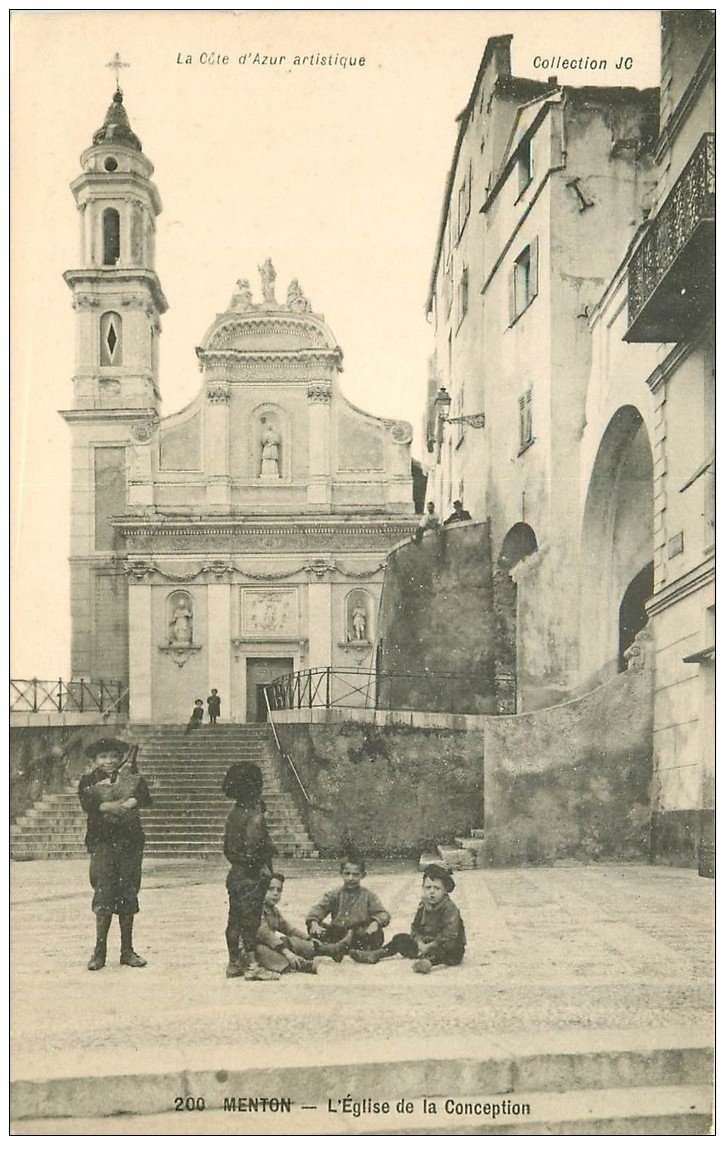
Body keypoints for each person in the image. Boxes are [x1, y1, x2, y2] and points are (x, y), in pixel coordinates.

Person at [77, 738, 152, 971]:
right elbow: (91, 804)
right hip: (103, 844)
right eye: (103, 757)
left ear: (120, 758)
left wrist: (130, 801)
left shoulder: (131, 775)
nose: (109, 761)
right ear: (94, 760)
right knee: (104, 894)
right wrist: (113, 806)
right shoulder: (88, 780)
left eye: (113, 756)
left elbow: (144, 797)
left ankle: (127, 950)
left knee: (128, 893)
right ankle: (99, 952)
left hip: (129, 843)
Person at [350, 863, 466, 973]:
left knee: (453, 949)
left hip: (442, 944)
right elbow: (415, 928)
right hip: (424, 944)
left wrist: (430, 946)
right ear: (423, 888)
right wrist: (420, 942)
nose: (431, 892)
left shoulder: (450, 908)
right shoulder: (423, 906)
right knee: (400, 939)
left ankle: (430, 962)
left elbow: (449, 934)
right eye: (428, 887)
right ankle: (376, 954)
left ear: (445, 890)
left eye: (437, 888)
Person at [222, 761, 279, 981]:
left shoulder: (234, 814)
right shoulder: (255, 818)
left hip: (235, 874)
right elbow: (254, 848)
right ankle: (253, 966)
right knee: (251, 922)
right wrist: (266, 859)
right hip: (253, 876)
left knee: (234, 920)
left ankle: (233, 963)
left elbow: (228, 849)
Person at [306, 854, 390, 961]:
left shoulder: (368, 895)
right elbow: (319, 909)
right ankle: (339, 947)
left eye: (355, 874)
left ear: (363, 875)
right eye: (347, 874)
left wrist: (375, 923)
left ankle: (337, 949)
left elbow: (383, 913)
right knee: (313, 928)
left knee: (377, 934)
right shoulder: (334, 894)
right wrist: (314, 923)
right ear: (341, 874)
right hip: (338, 933)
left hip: (359, 934)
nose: (350, 878)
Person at [253, 873, 318, 976]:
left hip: (272, 944)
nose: (275, 893)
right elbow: (265, 934)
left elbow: (288, 928)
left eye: (279, 890)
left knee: (290, 941)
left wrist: (307, 938)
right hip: (252, 949)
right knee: (261, 950)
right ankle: (298, 965)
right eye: (270, 889)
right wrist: (287, 952)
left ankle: (331, 950)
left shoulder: (273, 910)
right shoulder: (255, 909)